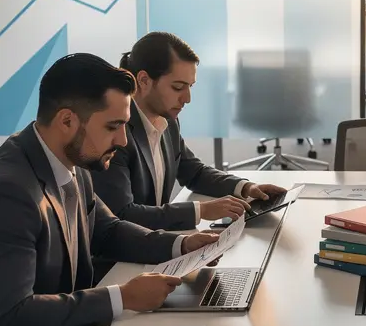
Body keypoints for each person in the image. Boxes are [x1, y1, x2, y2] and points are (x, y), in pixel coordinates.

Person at [0, 54, 221, 326]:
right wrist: (122, 298)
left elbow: (106, 230)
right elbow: (10, 319)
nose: (123, 140)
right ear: (67, 121)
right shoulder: (3, 193)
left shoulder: (70, 161)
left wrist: (182, 244)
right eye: (113, 126)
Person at [91, 32, 286, 233]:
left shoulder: (167, 121)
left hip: (156, 239)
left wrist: (246, 188)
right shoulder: (115, 132)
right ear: (143, 80)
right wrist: (199, 211)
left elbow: (194, 172)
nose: (187, 98)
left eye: (190, 87)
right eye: (178, 87)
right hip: (123, 256)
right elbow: (122, 215)